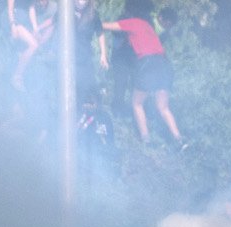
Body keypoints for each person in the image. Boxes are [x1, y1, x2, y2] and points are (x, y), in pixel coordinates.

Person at [103, 1, 187, 148]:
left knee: (136, 103)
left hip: (148, 64)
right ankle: (179, 139)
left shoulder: (135, 22)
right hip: (164, 65)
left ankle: (146, 139)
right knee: (164, 107)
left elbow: (105, 26)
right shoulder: (150, 27)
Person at [73, 0, 109, 99]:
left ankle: (84, 110)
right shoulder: (67, 11)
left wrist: (103, 55)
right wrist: (37, 29)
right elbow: (53, 21)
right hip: (68, 54)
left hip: (84, 55)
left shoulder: (93, 14)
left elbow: (100, 33)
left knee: (85, 85)